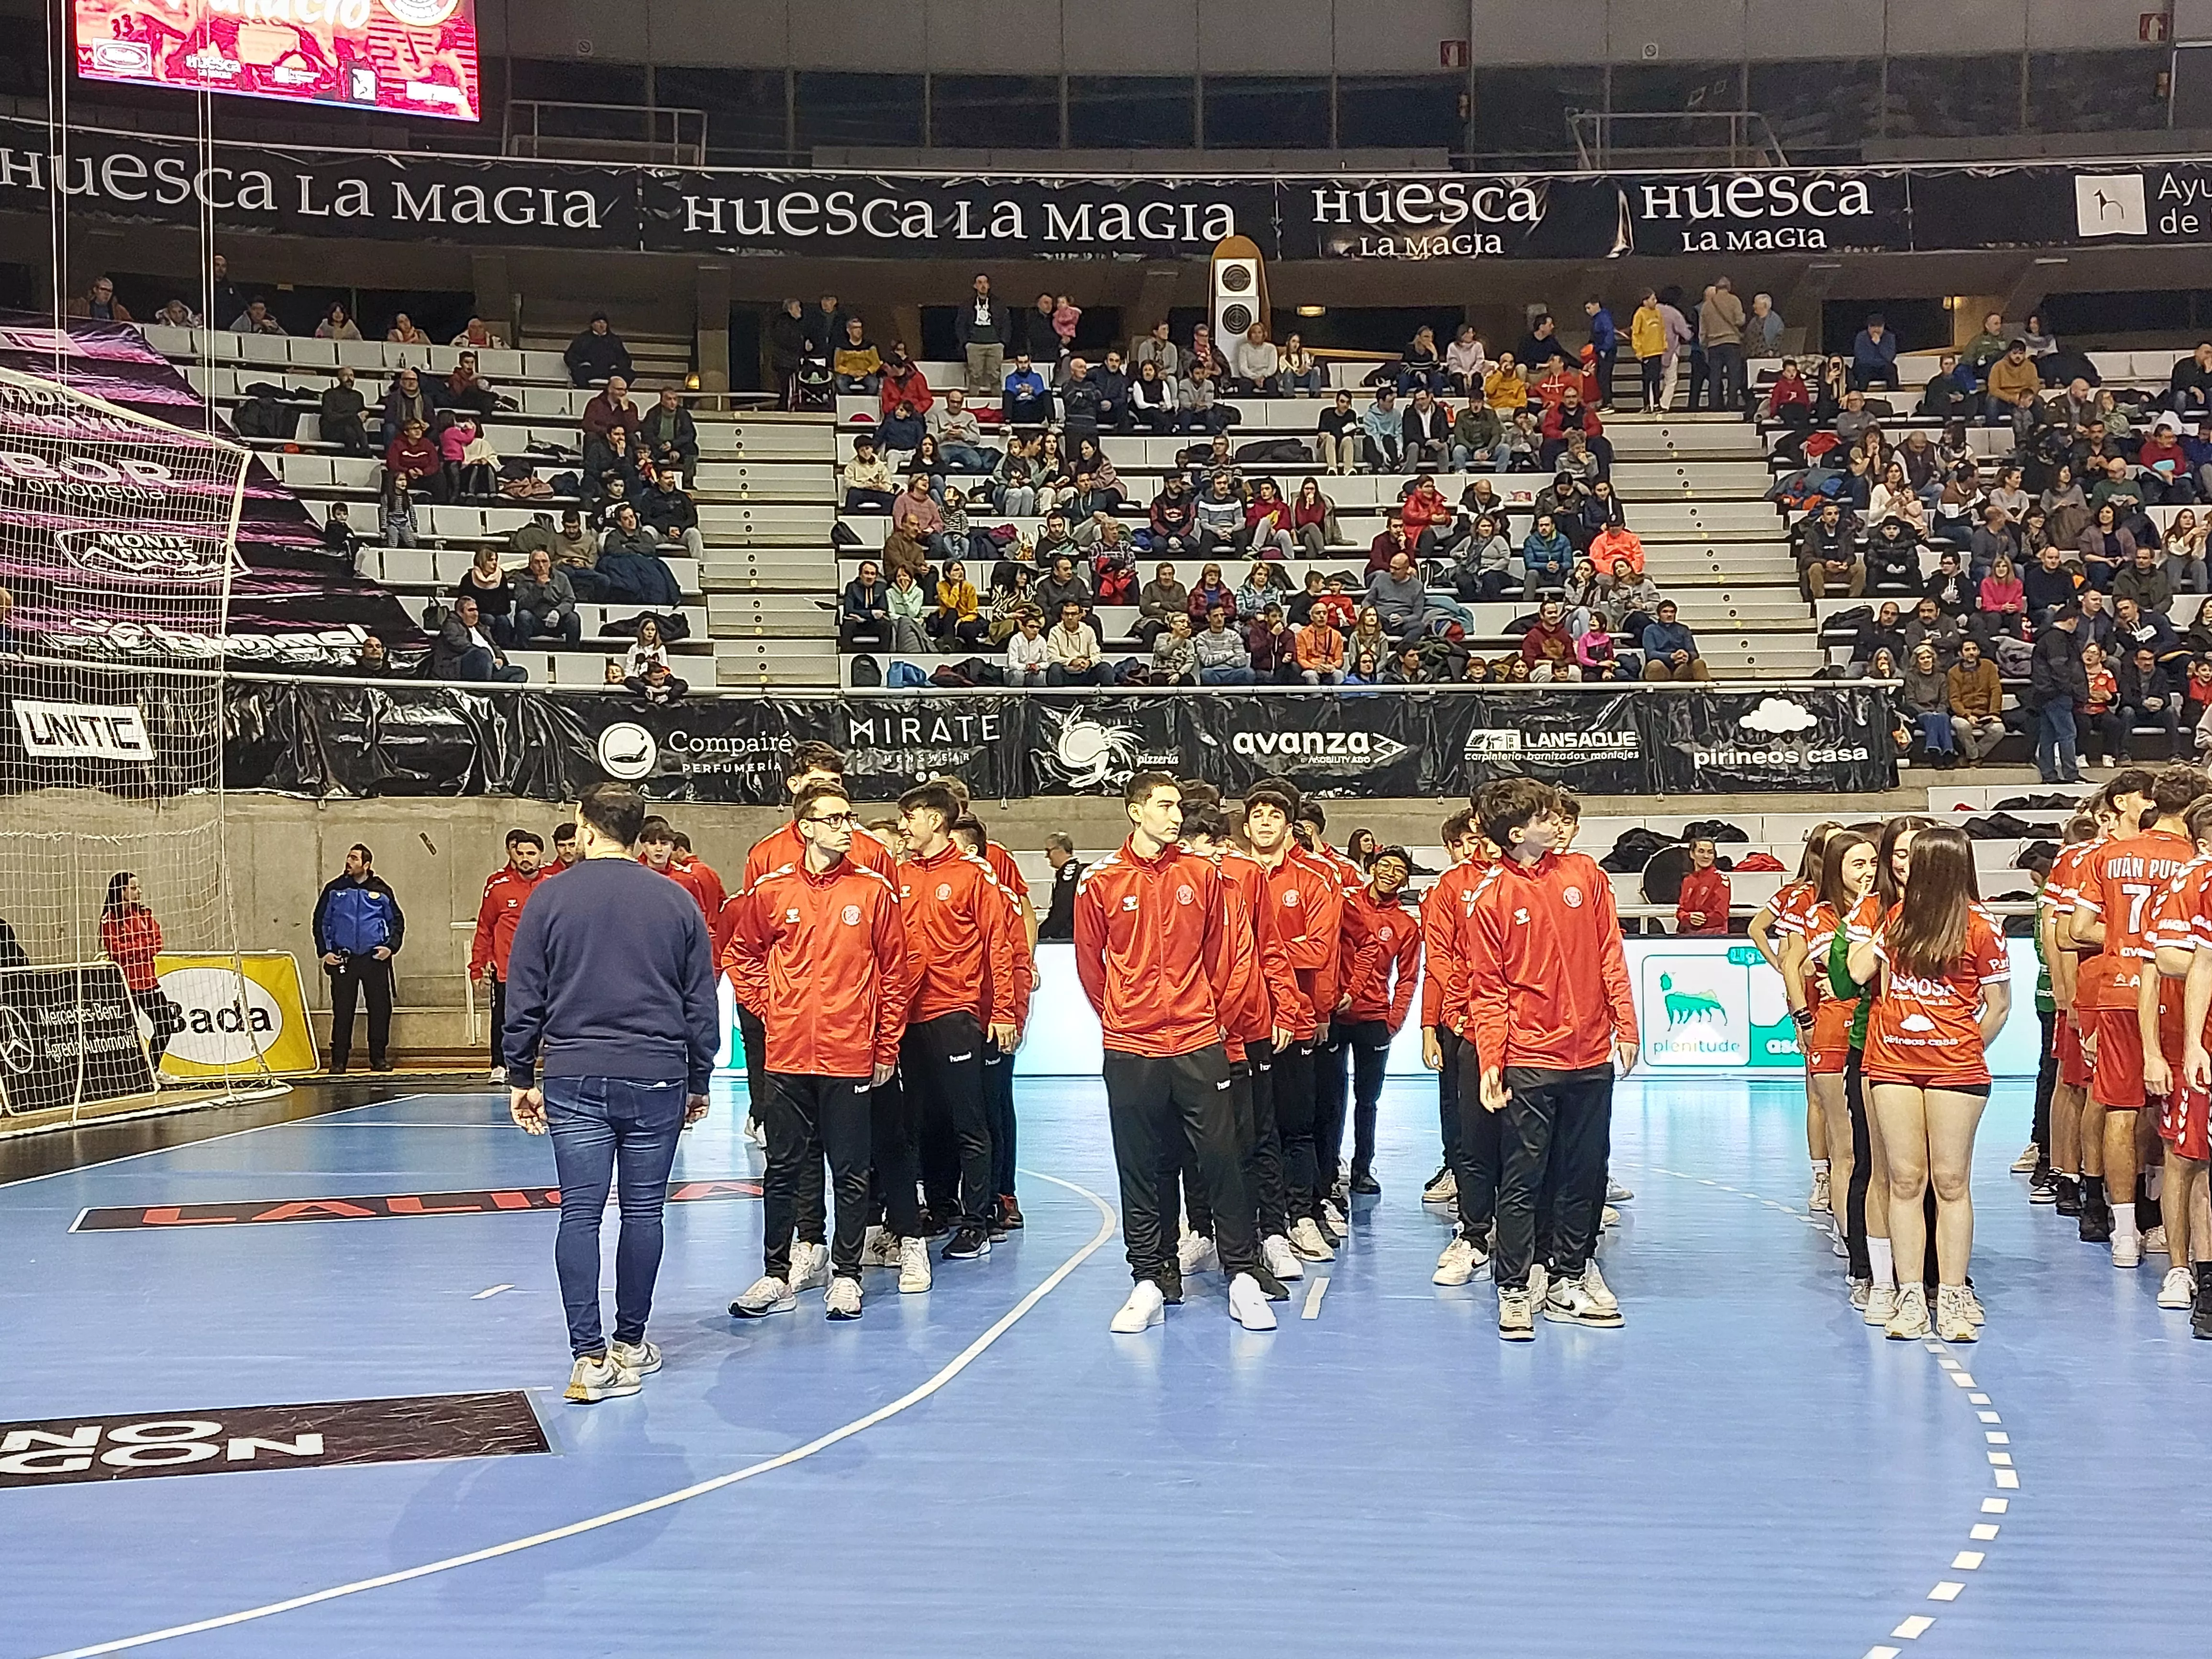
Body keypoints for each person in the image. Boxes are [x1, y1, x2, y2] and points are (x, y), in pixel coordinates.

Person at [503, 784, 716, 1403]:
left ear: (586, 828)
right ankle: (630, 1342)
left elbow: (525, 996)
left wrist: (521, 1075)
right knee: (644, 1211)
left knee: (581, 1212)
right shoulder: (676, 901)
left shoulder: (548, 897)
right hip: (657, 1074)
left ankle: (589, 1357)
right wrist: (699, 1078)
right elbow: (699, 1001)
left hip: (574, 1074)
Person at [1451, 779, 1636, 1339]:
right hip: (1530, 1059)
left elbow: (1609, 952)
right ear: (1516, 833)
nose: (1556, 823)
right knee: (1523, 1178)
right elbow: (1487, 989)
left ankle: (1569, 1276)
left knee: (1584, 1173)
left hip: (1590, 1057)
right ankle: (1513, 1286)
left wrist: (1625, 1024)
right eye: (1544, 817)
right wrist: (1490, 1061)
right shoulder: (1489, 898)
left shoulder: (1585, 874)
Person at [722, 781, 908, 1323]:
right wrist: (772, 1007)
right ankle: (776, 1273)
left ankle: (846, 1276)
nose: (845, 827)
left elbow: (895, 972)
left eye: (848, 817)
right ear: (804, 827)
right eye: (832, 819)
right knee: (783, 1167)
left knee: (850, 1169)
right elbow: (742, 956)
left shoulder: (873, 891)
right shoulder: (773, 889)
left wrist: (886, 1044)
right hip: (785, 1055)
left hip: (850, 1051)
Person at [2068, 766, 2200, 1270]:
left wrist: (2126, 938)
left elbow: (2078, 928)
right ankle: (2170, 1231)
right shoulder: (2193, 861)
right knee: (2174, 1116)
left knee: (2118, 1108)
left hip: (2118, 989)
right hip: (2178, 990)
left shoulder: (2106, 855)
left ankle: (2123, 1233)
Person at [1337, 847, 1420, 1198]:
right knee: (1330, 1098)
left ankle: (1362, 1169)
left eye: (1398, 870)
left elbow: (1408, 978)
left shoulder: (1405, 925)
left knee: (1367, 1100)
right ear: (1371, 868)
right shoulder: (1345, 904)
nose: (1389, 873)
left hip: (1374, 1019)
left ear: (1405, 880)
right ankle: (1327, 1171)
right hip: (1335, 1015)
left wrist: (1394, 1020)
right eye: (1384, 865)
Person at [312, 844, 403, 1074]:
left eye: (354, 858)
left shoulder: (382, 890)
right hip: (344, 959)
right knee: (343, 1011)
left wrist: (390, 948)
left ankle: (379, 1058)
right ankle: (339, 1060)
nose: (348, 862)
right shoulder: (334, 889)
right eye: (348, 857)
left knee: (380, 1009)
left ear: (367, 865)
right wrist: (325, 952)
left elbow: (397, 922)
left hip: (374, 959)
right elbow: (321, 921)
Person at [471, 831, 548, 1084]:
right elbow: (484, 928)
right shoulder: (498, 888)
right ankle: (500, 1064)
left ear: (541, 856)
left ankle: (545, 1063)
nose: (526, 858)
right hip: (507, 969)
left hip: (547, 969)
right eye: (521, 853)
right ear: (513, 854)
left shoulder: (554, 885)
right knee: (504, 1018)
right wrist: (477, 967)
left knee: (548, 1018)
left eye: (531, 853)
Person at [99, 873, 180, 1072]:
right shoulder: (110, 920)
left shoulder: (145, 915)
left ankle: (152, 1069)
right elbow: (117, 951)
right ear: (122, 890)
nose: (139, 892)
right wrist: (142, 945)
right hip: (126, 985)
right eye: (134, 888)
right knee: (124, 1033)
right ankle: (124, 1074)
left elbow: (157, 943)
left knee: (166, 1025)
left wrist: (136, 947)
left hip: (149, 981)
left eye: (138, 888)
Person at [434, 595, 528, 684]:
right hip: (460, 668)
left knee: (520, 672)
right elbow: (461, 645)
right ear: (460, 613)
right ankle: (484, 692)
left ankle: (498, 697)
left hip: (491, 668)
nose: (476, 614)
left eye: (477, 610)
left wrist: (501, 658)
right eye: (471, 610)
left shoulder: (481, 627)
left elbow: (495, 646)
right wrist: (486, 656)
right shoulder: (451, 625)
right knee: (483, 654)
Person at [1640, 600, 1710, 682]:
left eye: (1672, 612)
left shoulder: (1684, 629)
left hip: (1681, 667)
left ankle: (1708, 692)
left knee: (1699, 663)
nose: (1669, 615)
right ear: (1659, 614)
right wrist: (1672, 656)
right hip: (1661, 665)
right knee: (1655, 665)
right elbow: (1651, 654)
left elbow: (1694, 652)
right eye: (1665, 612)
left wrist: (1688, 656)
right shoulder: (1650, 630)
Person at [1675, 838, 1730, 937]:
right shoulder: (1688, 880)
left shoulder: (1721, 879)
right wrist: (1688, 917)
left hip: (1714, 937)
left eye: (1710, 853)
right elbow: (1681, 911)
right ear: (1692, 854)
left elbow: (1721, 915)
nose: (1706, 856)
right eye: (1701, 851)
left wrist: (1699, 920)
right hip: (1687, 937)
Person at [564, 312, 634, 387]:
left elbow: (625, 358)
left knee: (630, 374)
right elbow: (570, 356)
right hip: (590, 370)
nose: (602, 325)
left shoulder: (614, 340)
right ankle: (587, 392)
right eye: (598, 322)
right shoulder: (583, 339)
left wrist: (618, 366)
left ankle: (616, 391)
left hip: (610, 371)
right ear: (592, 324)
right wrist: (582, 364)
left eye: (604, 322)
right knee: (577, 373)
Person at [1039, 833, 1084, 942]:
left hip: (1068, 936)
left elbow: (1063, 910)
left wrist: (1040, 933)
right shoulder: (1079, 871)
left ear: (1060, 850)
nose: (1047, 856)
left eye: (1048, 851)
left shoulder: (1068, 874)